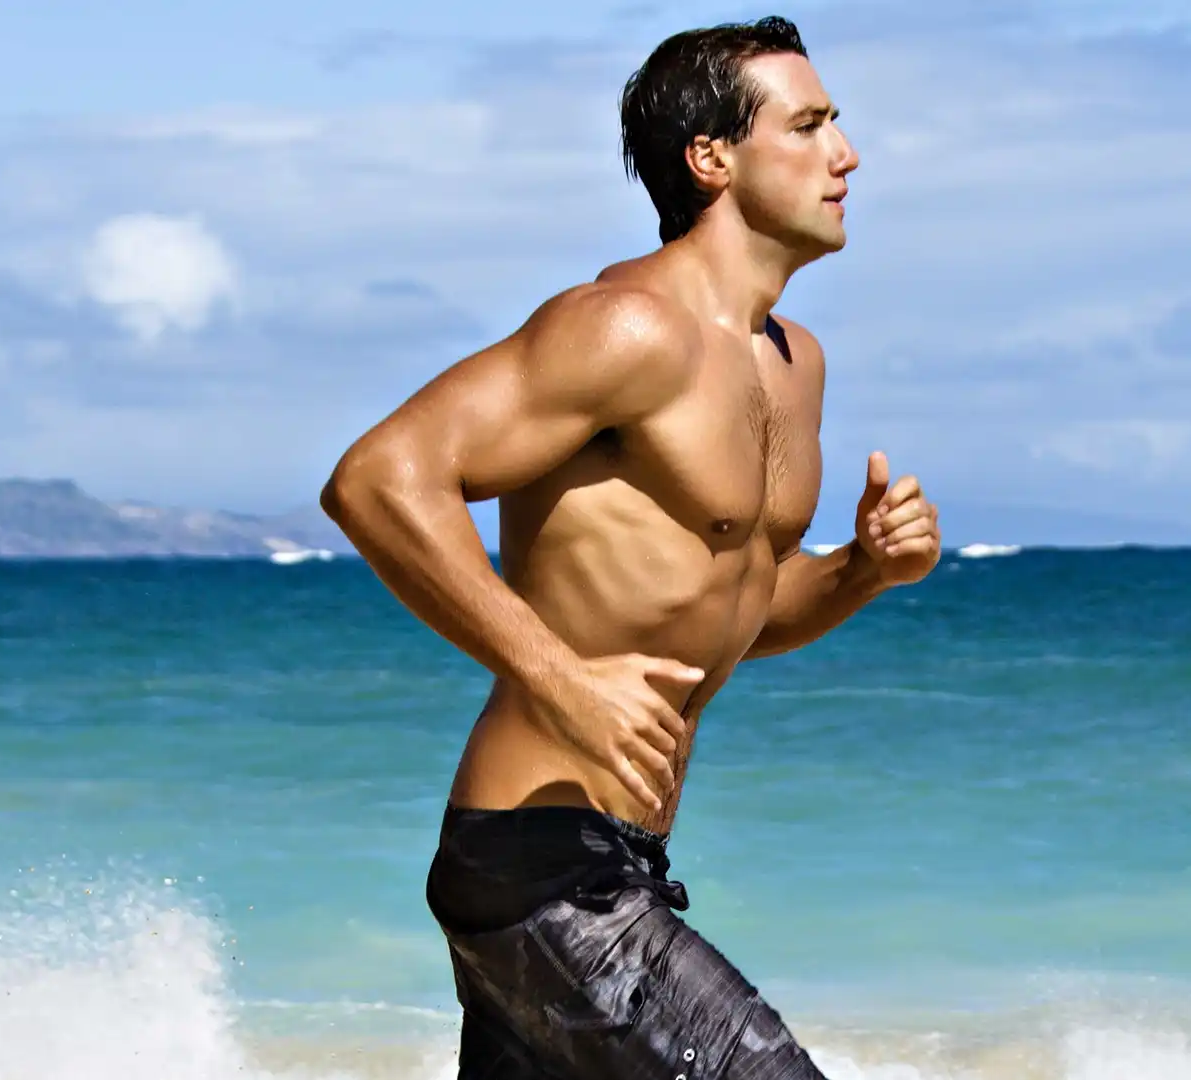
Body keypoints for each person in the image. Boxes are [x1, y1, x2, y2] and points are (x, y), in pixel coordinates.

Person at [320, 15, 941, 1079]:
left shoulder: (796, 366)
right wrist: (558, 680)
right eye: (809, 125)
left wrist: (859, 572)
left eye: (838, 124)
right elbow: (378, 479)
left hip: (625, 860)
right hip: (539, 867)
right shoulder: (625, 328)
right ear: (713, 158)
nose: (846, 155)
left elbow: (732, 604)